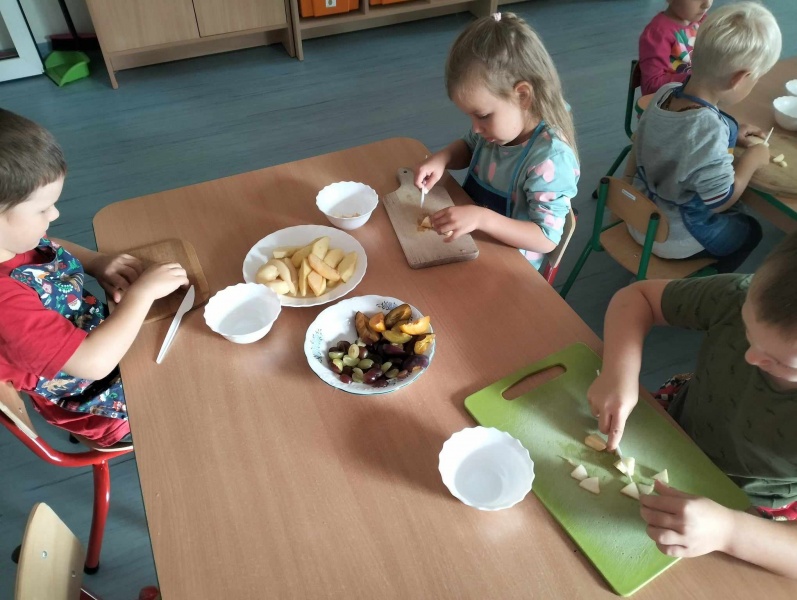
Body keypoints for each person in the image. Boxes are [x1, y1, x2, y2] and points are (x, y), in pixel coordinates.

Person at [587, 232, 797, 578]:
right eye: (748, 329)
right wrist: (617, 372)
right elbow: (637, 297)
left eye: (780, 362)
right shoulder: (739, 295)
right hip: (677, 427)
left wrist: (729, 531)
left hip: (750, 511)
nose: (750, 356)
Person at [0, 109, 189, 447]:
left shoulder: (10, 243)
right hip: (104, 404)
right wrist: (141, 295)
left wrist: (95, 262)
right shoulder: (5, 307)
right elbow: (94, 362)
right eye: (42, 209)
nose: (55, 214)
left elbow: (46, 244)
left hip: (99, 336)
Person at [414, 12, 578, 270]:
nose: (475, 128)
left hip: (508, 268)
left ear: (522, 96)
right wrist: (442, 159)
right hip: (471, 241)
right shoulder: (498, 128)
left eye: (482, 116)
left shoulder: (551, 159)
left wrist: (483, 218)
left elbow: (546, 238)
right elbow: (469, 146)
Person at [628, 2, 780, 273]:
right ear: (739, 79)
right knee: (751, 231)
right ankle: (706, 281)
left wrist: (732, 131)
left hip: (639, 215)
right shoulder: (709, 130)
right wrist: (752, 160)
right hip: (673, 234)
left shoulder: (666, 93)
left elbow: (689, 132)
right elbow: (721, 200)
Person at [639, 0, 712, 95]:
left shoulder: (702, 21)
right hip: (672, 99)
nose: (707, 4)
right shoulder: (658, 33)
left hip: (698, 92)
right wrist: (698, 78)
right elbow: (652, 85)